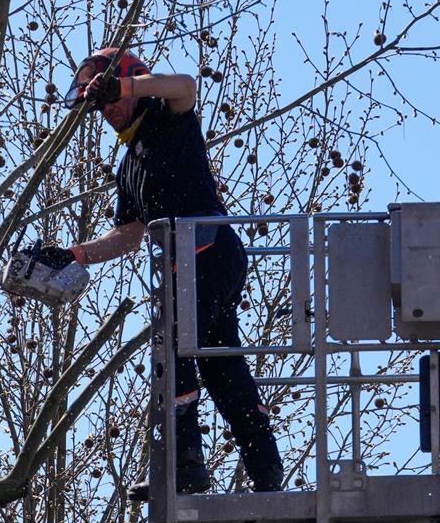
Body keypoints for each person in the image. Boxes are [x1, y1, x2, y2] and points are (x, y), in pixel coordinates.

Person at [35, 47, 283, 500]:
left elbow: (185, 86)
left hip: (210, 252)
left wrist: (124, 85)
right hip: (187, 268)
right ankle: (266, 468)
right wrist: (72, 254)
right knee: (219, 365)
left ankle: (185, 464)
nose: (107, 110)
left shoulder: (170, 119)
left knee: (173, 345)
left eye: (111, 98)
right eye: (101, 105)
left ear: (131, 81)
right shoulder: (129, 165)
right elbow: (129, 234)